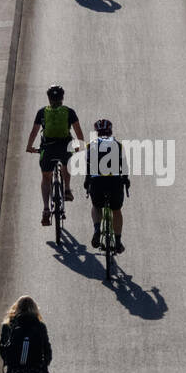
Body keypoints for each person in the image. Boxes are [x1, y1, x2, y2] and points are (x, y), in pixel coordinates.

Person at [25, 84, 85, 226]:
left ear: (49, 98)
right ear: (62, 98)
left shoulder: (42, 112)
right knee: (66, 165)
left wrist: (29, 147)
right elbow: (79, 132)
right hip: (64, 147)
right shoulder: (69, 112)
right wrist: (80, 147)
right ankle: (67, 190)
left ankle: (46, 209)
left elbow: (34, 131)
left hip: (48, 149)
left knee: (46, 177)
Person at [83, 118, 129, 253]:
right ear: (110, 131)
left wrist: (87, 182)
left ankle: (97, 229)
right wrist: (126, 180)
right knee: (116, 210)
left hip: (97, 183)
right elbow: (124, 166)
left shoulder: (90, 145)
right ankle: (118, 242)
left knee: (97, 206)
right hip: (114, 183)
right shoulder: (118, 145)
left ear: (97, 132)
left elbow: (88, 167)